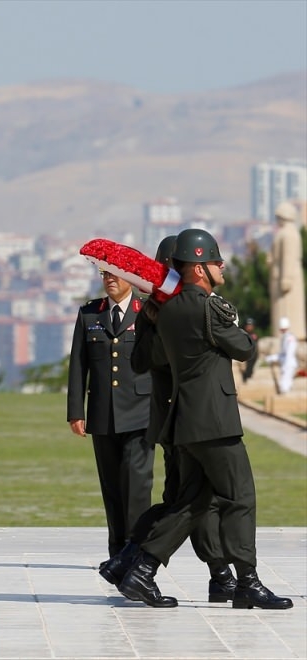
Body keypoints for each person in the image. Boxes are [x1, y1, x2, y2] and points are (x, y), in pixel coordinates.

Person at [119, 228, 293, 609]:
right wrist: (235, 324)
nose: (221, 265)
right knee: (239, 497)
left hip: (184, 420)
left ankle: (141, 570)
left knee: (192, 502)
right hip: (215, 420)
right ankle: (247, 581)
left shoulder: (164, 310)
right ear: (198, 269)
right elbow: (244, 348)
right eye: (215, 260)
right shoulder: (206, 306)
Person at [99, 236, 236, 603]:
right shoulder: (160, 311)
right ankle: (215, 573)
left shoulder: (184, 307)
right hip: (180, 418)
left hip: (185, 415)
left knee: (180, 498)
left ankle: (128, 561)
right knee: (195, 500)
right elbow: (143, 361)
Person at [67, 264, 153, 559]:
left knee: (137, 487)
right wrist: (76, 411)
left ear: (130, 277)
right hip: (103, 414)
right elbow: (79, 365)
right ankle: (117, 552)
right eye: (104, 274)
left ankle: (137, 549)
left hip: (141, 413)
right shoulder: (91, 313)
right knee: (112, 486)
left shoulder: (147, 311)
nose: (110, 279)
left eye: (115, 274)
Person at [269, 201, 305, 341]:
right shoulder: (284, 233)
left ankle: (292, 334)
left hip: (287, 277)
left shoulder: (289, 234)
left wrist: (286, 278)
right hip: (280, 275)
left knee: (287, 309)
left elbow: (289, 257)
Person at [265, 317, 298, 395]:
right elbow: (283, 354)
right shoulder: (285, 337)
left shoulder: (290, 338)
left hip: (288, 364)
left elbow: (289, 354)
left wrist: (284, 366)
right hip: (286, 363)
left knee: (284, 386)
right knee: (284, 385)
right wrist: (271, 358)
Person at [240, 318, 259, 384]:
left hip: (252, 357)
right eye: (248, 325)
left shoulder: (254, 336)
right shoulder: (241, 334)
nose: (249, 327)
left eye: (251, 326)